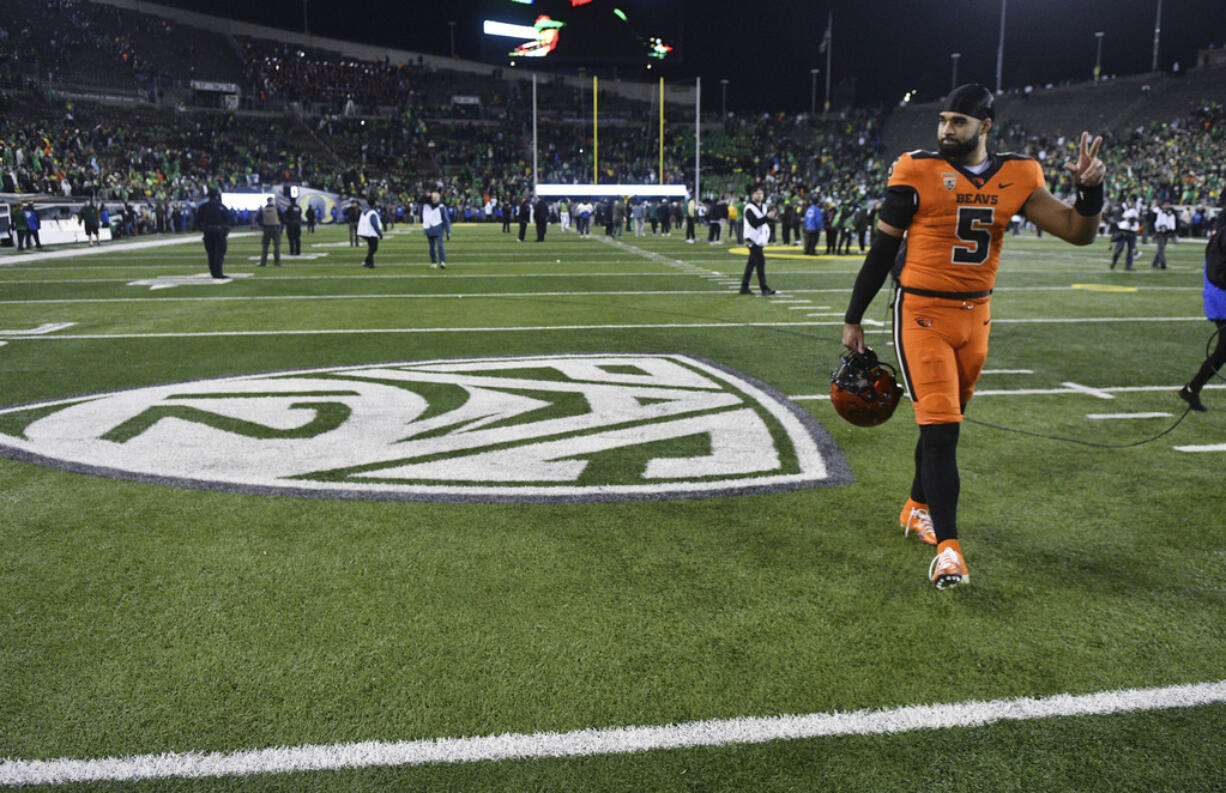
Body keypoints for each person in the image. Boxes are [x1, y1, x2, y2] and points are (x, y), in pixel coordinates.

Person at [841, 83, 1105, 589]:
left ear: (985, 127)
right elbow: (879, 253)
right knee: (942, 431)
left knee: (941, 425)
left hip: (976, 318)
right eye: (942, 120)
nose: (945, 130)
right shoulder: (916, 170)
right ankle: (949, 550)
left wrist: (1090, 191)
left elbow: (1077, 230)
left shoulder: (1020, 174)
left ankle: (916, 507)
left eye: (957, 122)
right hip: (921, 312)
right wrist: (854, 317)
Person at [1179, 225, 1226, 411]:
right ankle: (1192, 388)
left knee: (1223, 351)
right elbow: (1217, 272)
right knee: (1223, 349)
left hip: (1219, 293)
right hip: (1221, 296)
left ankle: (1192, 388)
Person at [739, 186, 777, 296]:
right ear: (752, 195)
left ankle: (744, 287)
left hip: (759, 239)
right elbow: (754, 223)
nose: (759, 195)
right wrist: (767, 217)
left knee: (751, 264)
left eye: (761, 193)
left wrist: (771, 218)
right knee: (760, 262)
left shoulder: (764, 207)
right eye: (757, 193)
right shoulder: (749, 208)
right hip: (752, 239)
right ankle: (764, 288)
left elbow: (763, 222)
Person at [196, 187, 233, 279]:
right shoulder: (220, 206)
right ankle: (218, 272)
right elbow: (230, 218)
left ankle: (213, 271)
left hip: (207, 231)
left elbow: (197, 220)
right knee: (219, 252)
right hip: (218, 231)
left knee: (211, 253)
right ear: (217, 196)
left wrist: (203, 228)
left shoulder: (203, 206)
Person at [422, 191, 451, 268]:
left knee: (440, 245)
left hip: (438, 229)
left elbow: (446, 219)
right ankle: (433, 262)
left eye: (436, 197)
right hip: (429, 229)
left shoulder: (441, 207)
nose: (434, 199)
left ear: (439, 198)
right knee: (431, 247)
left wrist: (448, 231)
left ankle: (442, 261)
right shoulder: (426, 206)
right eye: (433, 197)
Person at [1111, 198, 1139, 270]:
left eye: (1134, 202)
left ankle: (1128, 265)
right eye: (1131, 201)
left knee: (1131, 250)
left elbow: (1143, 218)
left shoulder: (1137, 209)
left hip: (1133, 231)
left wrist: (1135, 219)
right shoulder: (1122, 208)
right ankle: (1114, 261)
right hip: (1123, 231)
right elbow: (1116, 218)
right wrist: (1126, 219)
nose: (1132, 203)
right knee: (1119, 248)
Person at [257, 196, 283, 267]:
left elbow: (257, 219)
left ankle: (263, 262)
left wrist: (262, 226)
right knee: (276, 246)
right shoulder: (276, 208)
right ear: (272, 201)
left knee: (265, 246)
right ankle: (277, 261)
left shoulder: (263, 209)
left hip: (266, 229)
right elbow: (282, 218)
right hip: (275, 228)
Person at [1151, 200, 1176, 269]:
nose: (1167, 206)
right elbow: (1155, 221)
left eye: (1168, 204)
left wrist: (1172, 230)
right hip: (1159, 232)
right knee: (1161, 248)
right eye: (1165, 204)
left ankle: (1154, 263)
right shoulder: (1159, 211)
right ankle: (1163, 264)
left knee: (1161, 249)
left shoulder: (1170, 213)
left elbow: (1172, 221)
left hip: (1166, 232)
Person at [357, 202, 383, 268]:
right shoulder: (372, 213)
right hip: (371, 233)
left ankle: (368, 262)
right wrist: (379, 233)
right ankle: (369, 263)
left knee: (371, 248)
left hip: (364, 232)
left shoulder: (364, 211)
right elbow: (374, 223)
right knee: (374, 248)